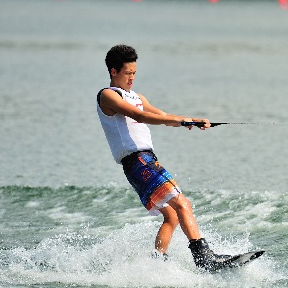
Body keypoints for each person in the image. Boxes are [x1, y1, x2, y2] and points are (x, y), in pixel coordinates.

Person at [97, 44, 232, 271]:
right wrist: (179, 121)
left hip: (145, 161)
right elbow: (138, 116)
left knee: (171, 216)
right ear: (113, 71)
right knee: (182, 203)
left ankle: (157, 262)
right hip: (137, 162)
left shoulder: (137, 96)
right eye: (127, 73)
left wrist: (190, 120)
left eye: (134, 73)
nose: (132, 78)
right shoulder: (108, 95)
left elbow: (163, 116)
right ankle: (204, 259)